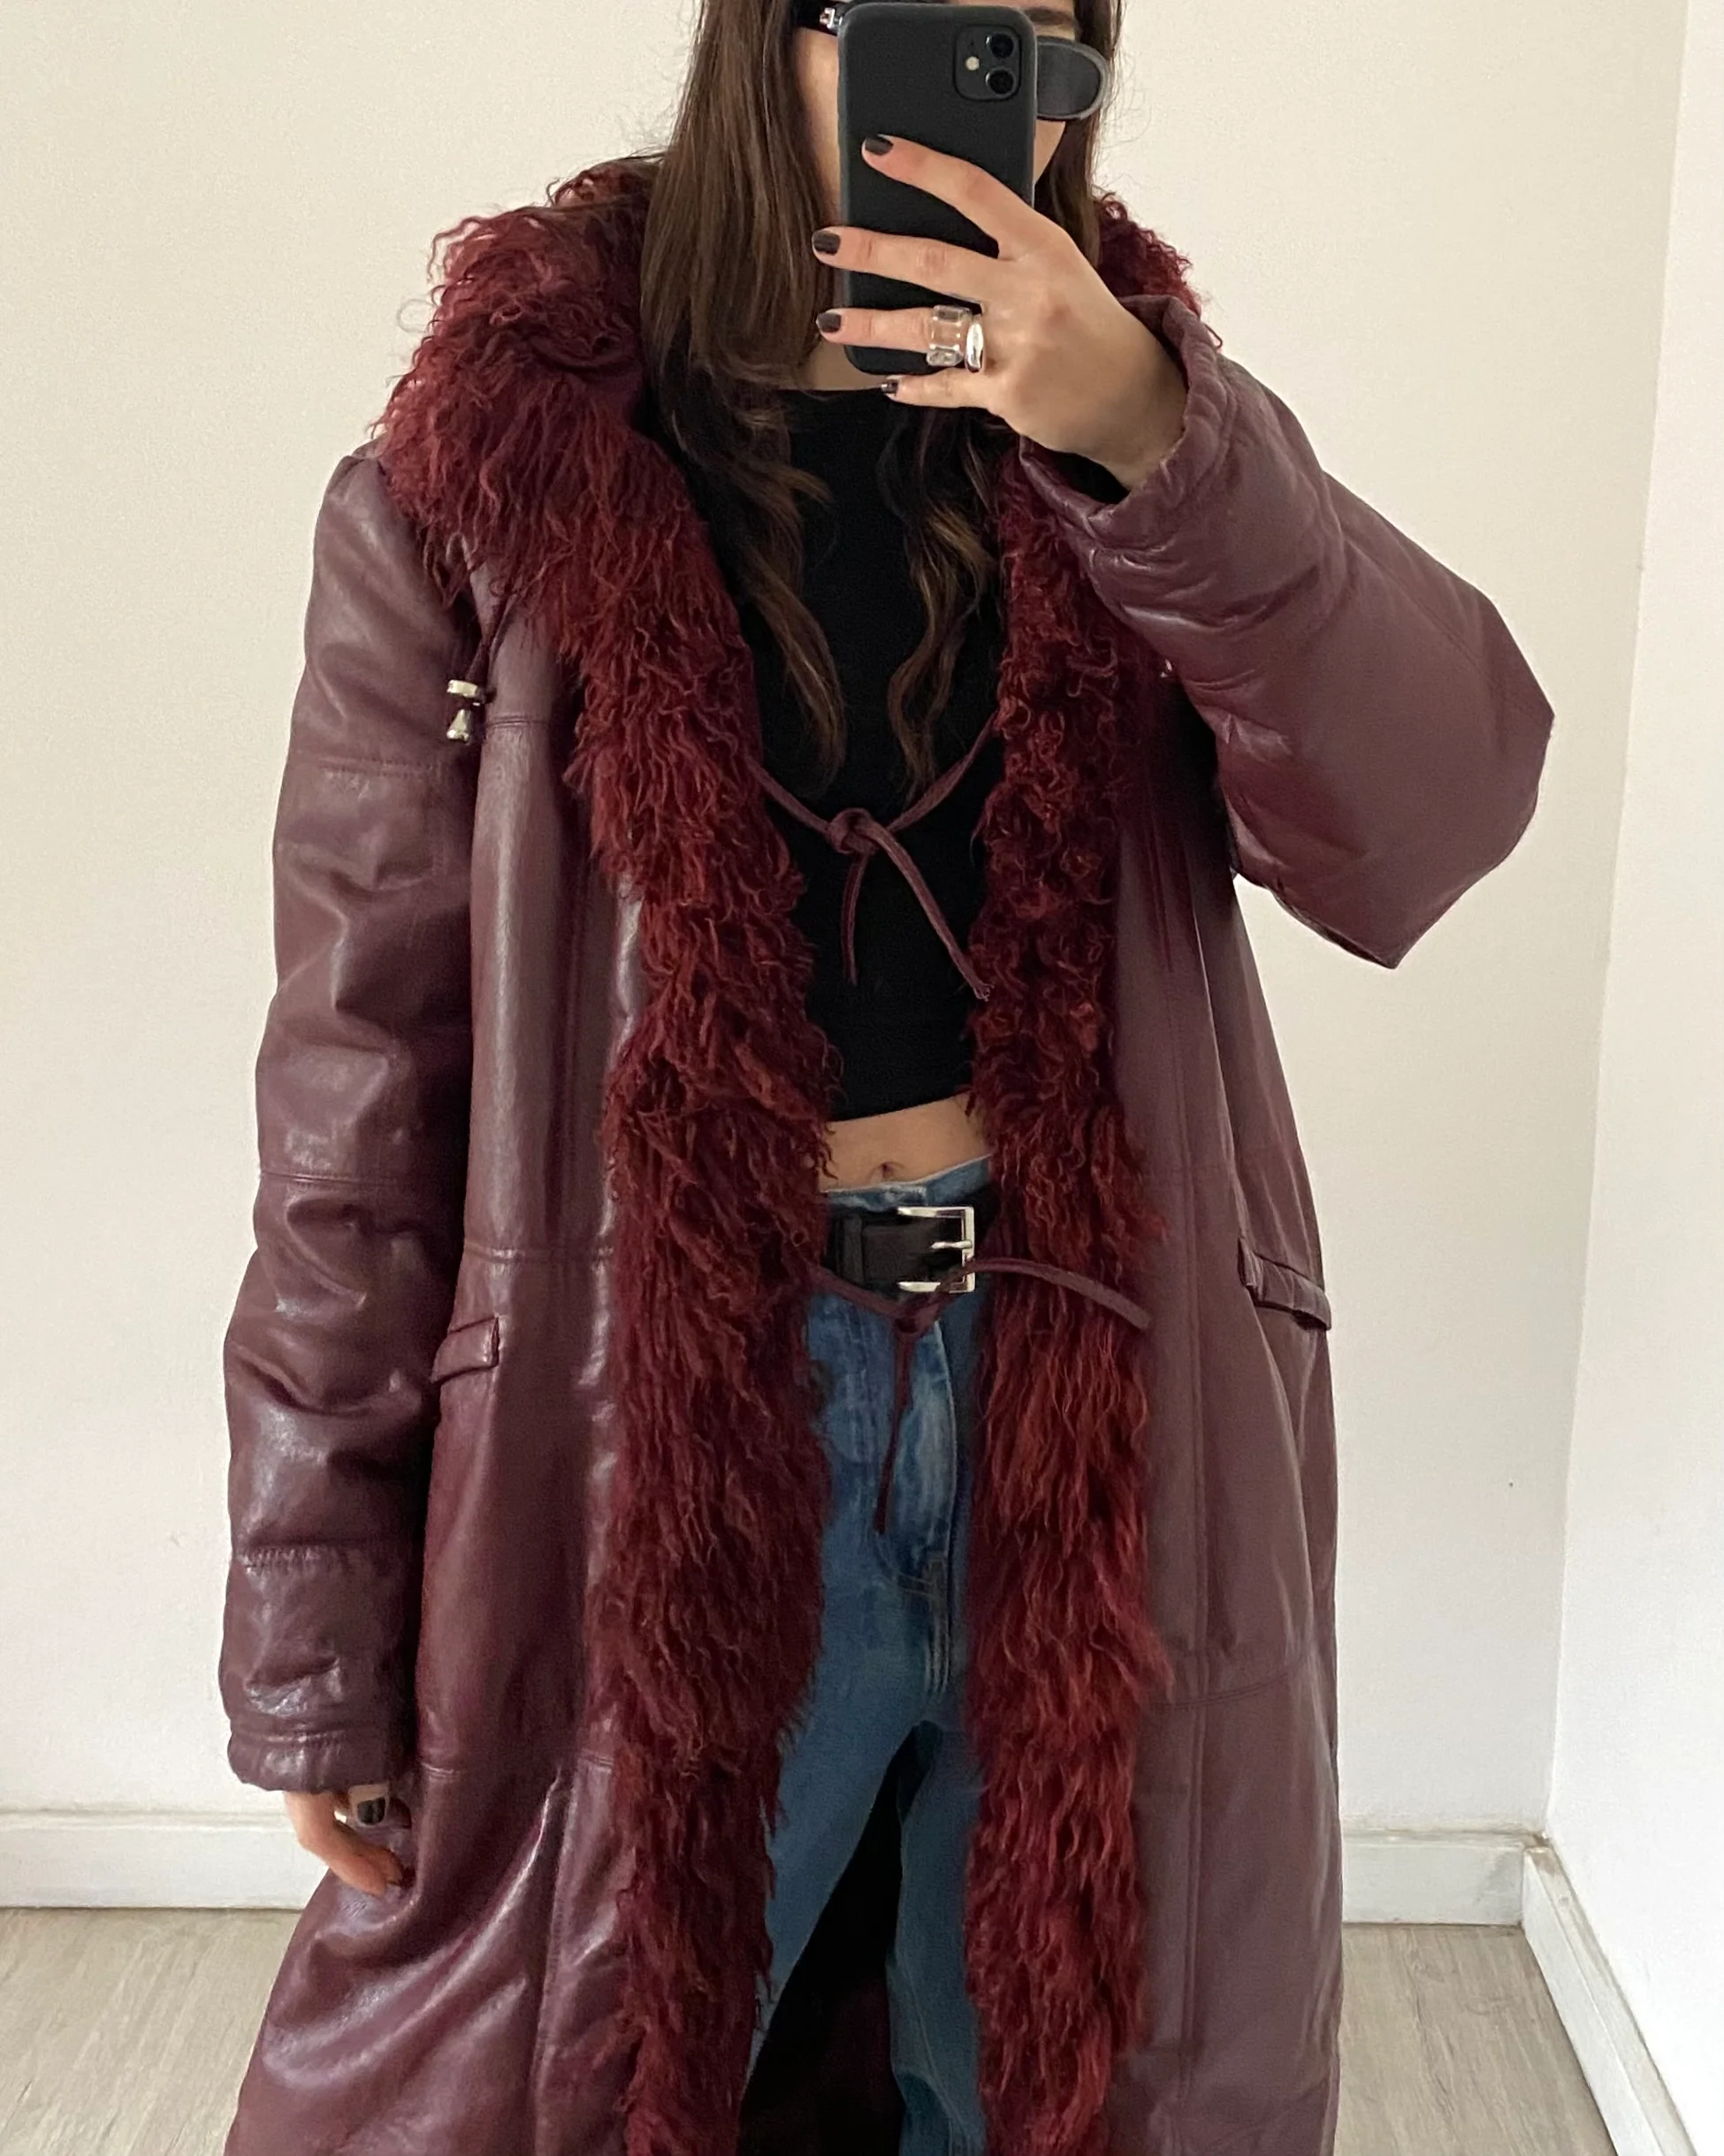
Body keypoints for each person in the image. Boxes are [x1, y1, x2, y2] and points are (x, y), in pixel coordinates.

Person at [217, 2, 1555, 2152]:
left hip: (1090, 1416)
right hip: (659, 1435)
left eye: (1039, 38)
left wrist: (1156, 441)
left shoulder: (1134, 452)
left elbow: (1437, 813)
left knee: (1063, 2086)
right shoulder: (483, 486)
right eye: (920, 21)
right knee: (578, 2079)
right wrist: (316, 1621)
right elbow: (353, 1099)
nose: (977, 88)